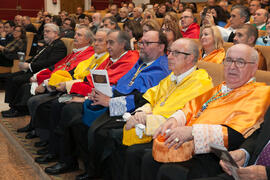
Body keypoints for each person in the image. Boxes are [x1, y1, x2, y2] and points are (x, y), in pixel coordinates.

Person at [42, 30, 171, 180]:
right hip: (115, 101)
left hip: (133, 111)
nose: (141, 46)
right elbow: (121, 85)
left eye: (147, 43)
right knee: (74, 117)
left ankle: (96, 172)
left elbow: (141, 100)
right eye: (141, 42)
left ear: (161, 47)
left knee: (96, 129)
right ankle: (83, 165)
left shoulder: (162, 68)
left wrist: (109, 102)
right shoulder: (142, 62)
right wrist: (100, 94)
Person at [141, 44, 270, 180]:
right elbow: (193, 106)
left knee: (166, 169)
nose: (232, 67)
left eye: (240, 62)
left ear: (254, 67)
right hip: (191, 144)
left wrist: (192, 132)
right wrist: (174, 120)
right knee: (147, 158)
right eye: (229, 60)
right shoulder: (221, 87)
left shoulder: (260, 93)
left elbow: (237, 133)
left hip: (218, 155)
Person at [97, 38, 213, 180]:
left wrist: (146, 119)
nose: (169, 56)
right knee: (111, 136)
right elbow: (151, 97)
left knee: (131, 150)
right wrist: (141, 113)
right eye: (170, 52)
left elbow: (182, 115)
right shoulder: (173, 76)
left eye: (175, 53)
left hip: (173, 134)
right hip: (148, 122)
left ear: (190, 58)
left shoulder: (200, 83)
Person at [31, 30, 139, 165]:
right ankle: (55, 150)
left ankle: (66, 160)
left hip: (109, 101)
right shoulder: (111, 58)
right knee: (58, 103)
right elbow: (90, 80)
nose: (107, 46)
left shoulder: (130, 59)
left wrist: (80, 94)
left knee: (67, 108)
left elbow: (109, 87)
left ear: (123, 44)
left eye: (110, 42)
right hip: (92, 95)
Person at [15, 25, 97, 135]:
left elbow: (74, 75)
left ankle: (44, 134)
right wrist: (39, 76)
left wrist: (45, 84)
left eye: (79, 35)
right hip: (60, 84)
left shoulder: (89, 54)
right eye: (76, 34)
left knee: (45, 103)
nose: (75, 37)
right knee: (33, 97)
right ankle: (36, 127)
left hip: (69, 88)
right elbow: (58, 66)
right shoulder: (76, 52)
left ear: (88, 40)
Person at [2, 23, 67, 117]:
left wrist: (29, 66)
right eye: (44, 31)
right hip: (34, 69)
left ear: (56, 33)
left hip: (42, 72)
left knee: (16, 80)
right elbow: (35, 58)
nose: (45, 33)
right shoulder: (49, 44)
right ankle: (12, 106)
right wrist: (26, 63)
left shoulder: (59, 45)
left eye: (47, 31)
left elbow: (50, 62)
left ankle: (18, 109)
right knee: (11, 77)